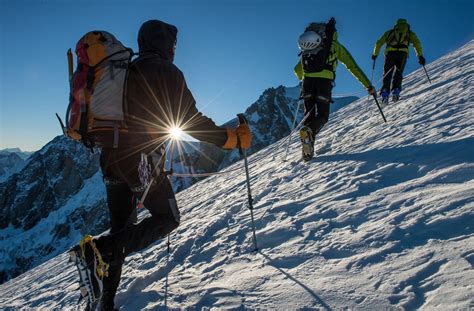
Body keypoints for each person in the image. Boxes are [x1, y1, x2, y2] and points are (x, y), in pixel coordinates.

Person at [72, 19, 252, 310]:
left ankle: (104, 301)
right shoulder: (167, 71)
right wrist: (231, 140)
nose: (175, 50)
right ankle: (98, 253)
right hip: (139, 159)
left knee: (122, 227)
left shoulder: (126, 70)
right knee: (167, 217)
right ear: (165, 44)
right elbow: (190, 121)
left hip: (110, 157)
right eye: (173, 44)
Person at [294, 18, 375, 161]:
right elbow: (353, 66)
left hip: (307, 83)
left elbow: (297, 69)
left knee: (309, 116)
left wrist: (304, 77)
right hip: (324, 83)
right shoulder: (335, 46)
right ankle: (309, 134)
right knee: (322, 116)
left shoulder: (308, 48)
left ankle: (307, 151)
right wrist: (368, 85)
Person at [372, 18, 424, 103]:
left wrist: (375, 54)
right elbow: (417, 43)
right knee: (398, 73)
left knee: (387, 73)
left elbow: (379, 43)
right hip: (402, 55)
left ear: (396, 25)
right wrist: (420, 56)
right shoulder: (409, 33)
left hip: (390, 54)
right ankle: (396, 91)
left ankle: (385, 93)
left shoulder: (390, 32)